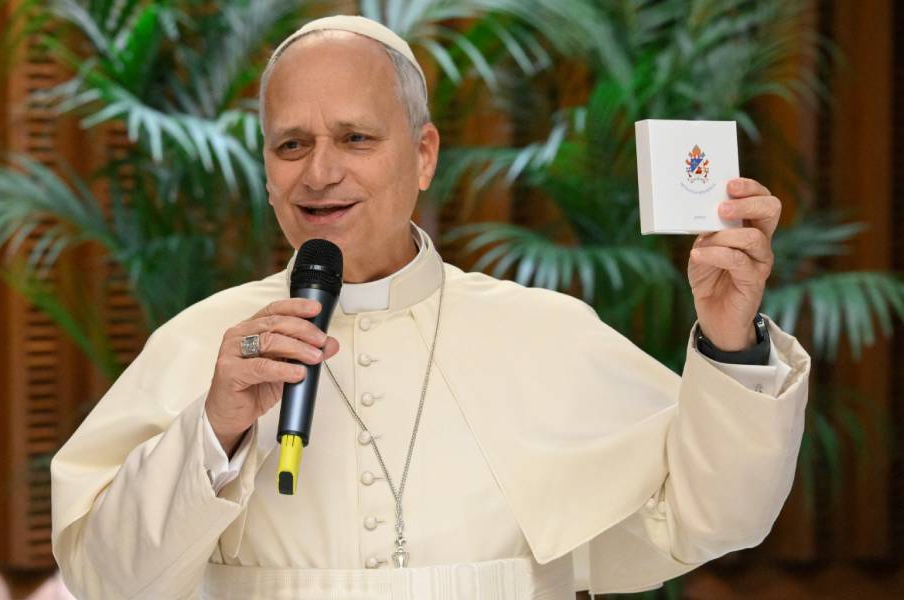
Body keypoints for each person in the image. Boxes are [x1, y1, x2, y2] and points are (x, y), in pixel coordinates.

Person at [51, 15, 810, 599]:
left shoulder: (542, 333)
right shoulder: (205, 344)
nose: (320, 172)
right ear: (267, 169)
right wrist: (213, 426)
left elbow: (718, 516)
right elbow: (106, 580)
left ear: (423, 154)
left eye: (355, 137)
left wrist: (729, 340)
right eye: (291, 146)